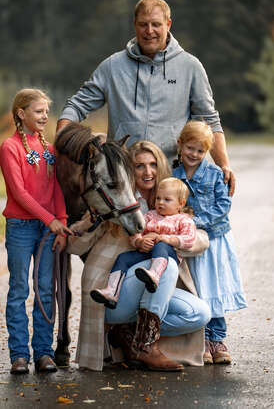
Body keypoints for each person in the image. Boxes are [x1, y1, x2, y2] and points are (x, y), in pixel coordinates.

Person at [57, 0, 235, 195]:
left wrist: (224, 164)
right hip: (124, 179)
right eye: (143, 24)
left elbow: (208, 120)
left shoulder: (190, 67)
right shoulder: (112, 67)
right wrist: (60, 143)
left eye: (156, 24)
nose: (149, 31)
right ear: (134, 25)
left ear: (168, 24)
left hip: (172, 178)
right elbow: (76, 106)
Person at [66, 140, 211, 371]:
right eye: (139, 166)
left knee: (200, 313)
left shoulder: (168, 195)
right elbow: (75, 246)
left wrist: (172, 240)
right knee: (168, 265)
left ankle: (129, 333)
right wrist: (76, 227)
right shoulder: (115, 200)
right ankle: (146, 347)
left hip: (153, 289)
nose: (147, 172)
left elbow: (200, 236)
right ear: (128, 170)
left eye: (153, 164)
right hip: (117, 291)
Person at [0, 88, 72, 375]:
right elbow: (18, 192)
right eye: (39, 111)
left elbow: (55, 189)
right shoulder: (10, 147)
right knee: (19, 289)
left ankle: (43, 352)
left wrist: (61, 222)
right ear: (21, 113)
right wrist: (48, 218)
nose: (45, 116)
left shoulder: (49, 150)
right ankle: (19, 355)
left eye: (46, 111)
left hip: (49, 230)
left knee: (45, 290)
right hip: (20, 228)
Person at [173, 120, 247, 365]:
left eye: (200, 151)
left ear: (206, 152)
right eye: (190, 148)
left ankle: (218, 339)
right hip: (191, 243)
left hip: (214, 240)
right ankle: (203, 339)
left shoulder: (215, 174)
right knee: (199, 288)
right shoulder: (174, 176)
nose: (194, 155)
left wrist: (197, 222)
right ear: (180, 145)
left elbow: (223, 206)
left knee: (214, 287)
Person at [90, 178, 197, 308]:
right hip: (147, 252)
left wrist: (168, 239)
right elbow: (136, 231)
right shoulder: (150, 215)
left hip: (168, 254)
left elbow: (189, 239)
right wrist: (140, 242)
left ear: (181, 204)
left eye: (167, 200)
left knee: (161, 244)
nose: (160, 203)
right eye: (158, 198)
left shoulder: (183, 220)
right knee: (123, 258)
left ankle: (154, 275)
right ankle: (112, 292)